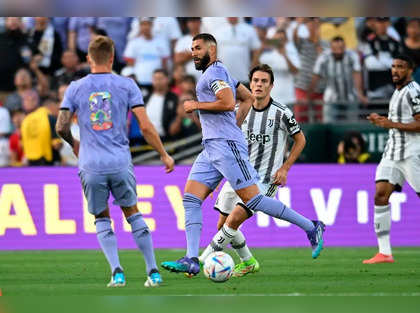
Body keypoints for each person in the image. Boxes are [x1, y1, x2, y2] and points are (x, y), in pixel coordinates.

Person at [160, 33, 325, 276]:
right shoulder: (219, 72)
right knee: (191, 199)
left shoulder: (215, 74)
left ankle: (311, 226)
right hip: (211, 147)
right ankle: (191, 259)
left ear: (211, 50)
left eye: (197, 48)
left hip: (226, 147)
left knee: (253, 200)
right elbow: (246, 98)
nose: (193, 52)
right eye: (191, 48)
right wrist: (234, 124)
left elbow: (227, 102)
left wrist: (195, 105)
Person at [55, 35, 174, 287]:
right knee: (132, 212)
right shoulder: (127, 85)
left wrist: (75, 144)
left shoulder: (75, 88)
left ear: (88, 58)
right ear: (112, 57)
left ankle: (117, 272)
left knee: (101, 217)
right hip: (120, 161)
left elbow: (61, 126)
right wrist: (163, 154)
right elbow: (145, 126)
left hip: (91, 164)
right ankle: (152, 272)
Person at [197, 64, 307, 277]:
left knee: (234, 219)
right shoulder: (239, 111)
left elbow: (301, 139)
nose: (259, 85)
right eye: (255, 80)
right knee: (223, 224)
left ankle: (201, 260)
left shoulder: (281, 113)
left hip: (265, 180)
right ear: (250, 84)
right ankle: (248, 261)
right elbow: (225, 145)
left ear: (271, 86)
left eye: (264, 81)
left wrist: (285, 168)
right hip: (237, 174)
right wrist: (214, 178)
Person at [364, 54, 420, 264]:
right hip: (392, 152)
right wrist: (381, 120)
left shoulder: (414, 92)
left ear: (410, 70)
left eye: (401, 67)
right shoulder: (397, 92)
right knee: (380, 195)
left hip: (412, 152)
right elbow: (395, 121)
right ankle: (384, 252)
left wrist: (391, 124)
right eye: (394, 66)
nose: (395, 70)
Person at [309, 36, 367, 122]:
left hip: (350, 96)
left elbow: (357, 74)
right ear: (331, 48)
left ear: (345, 47)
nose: (339, 51)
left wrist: (360, 93)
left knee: (352, 125)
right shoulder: (324, 57)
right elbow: (315, 76)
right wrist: (310, 94)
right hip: (331, 98)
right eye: (335, 49)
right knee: (329, 125)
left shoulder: (352, 55)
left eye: (341, 48)